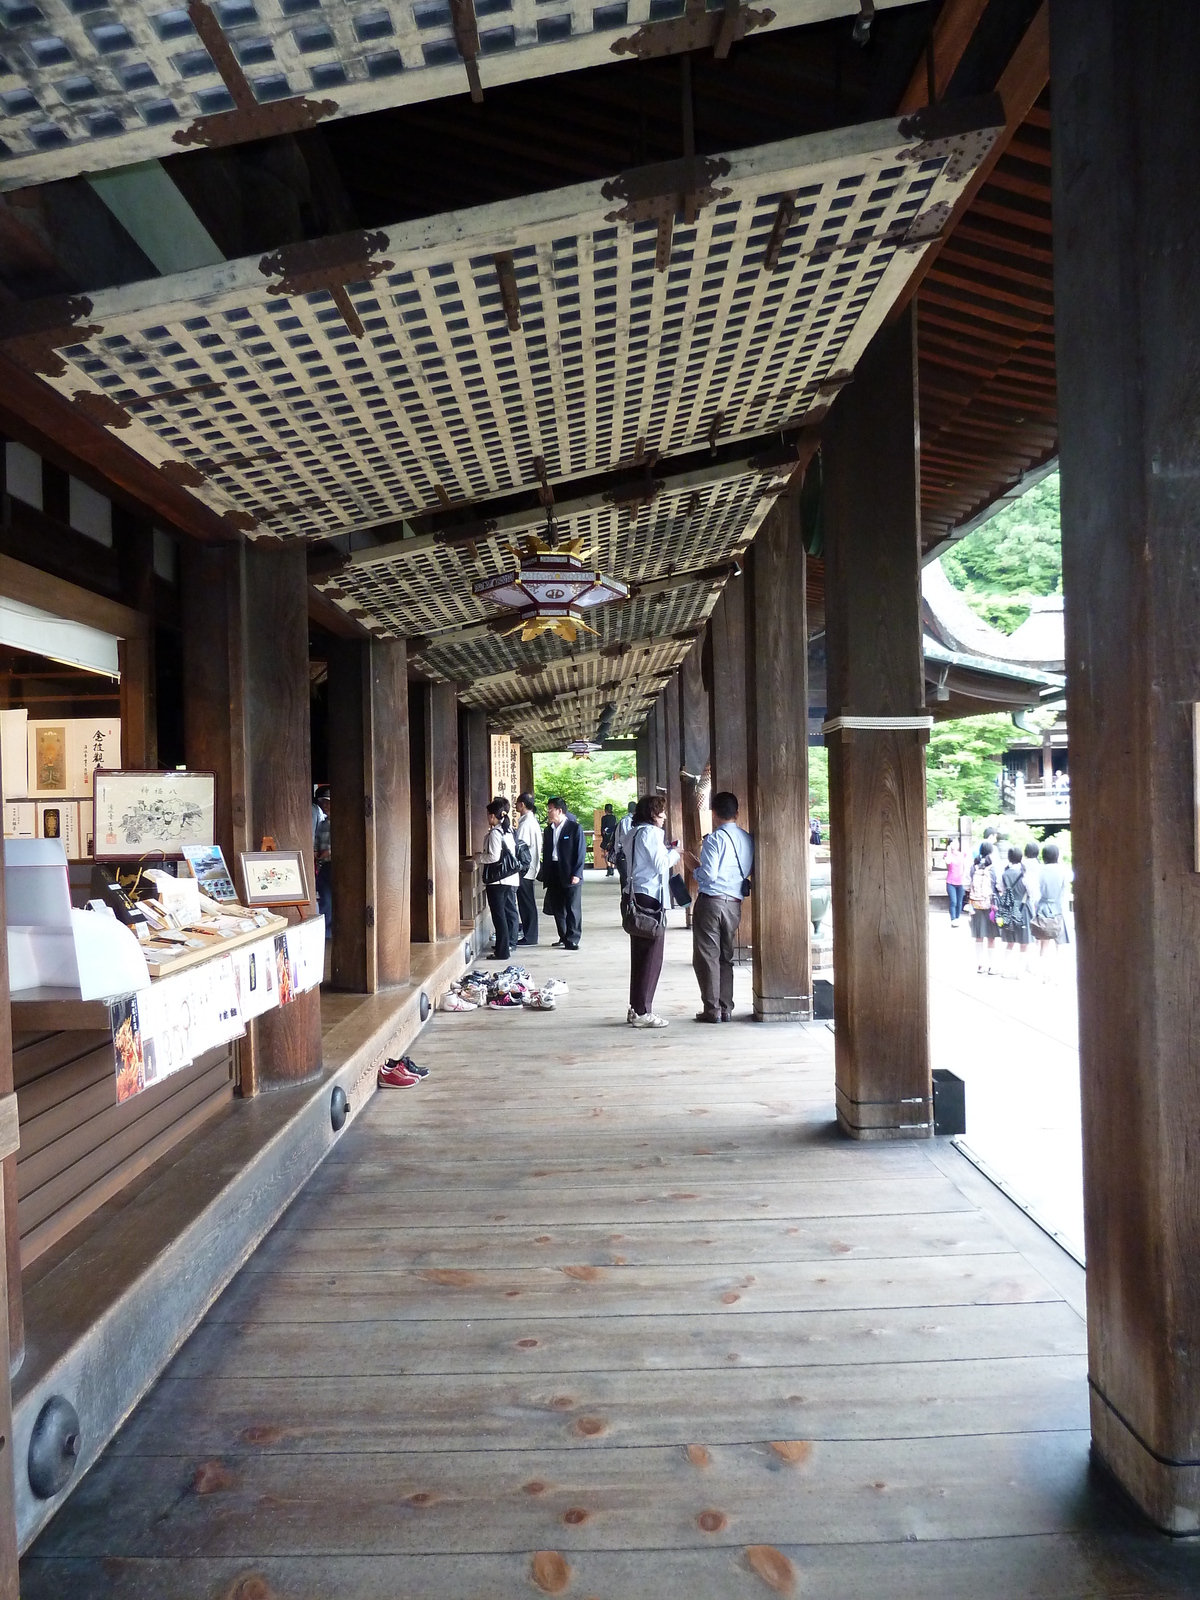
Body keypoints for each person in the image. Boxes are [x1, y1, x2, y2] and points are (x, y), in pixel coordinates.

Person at [692, 790, 754, 1023]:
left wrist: (693, 868)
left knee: (707, 955)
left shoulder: (714, 840)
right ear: (737, 813)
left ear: (714, 813)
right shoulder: (747, 839)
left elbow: (708, 874)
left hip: (711, 902)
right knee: (726, 956)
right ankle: (726, 1007)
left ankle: (712, 1009)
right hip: (734, 904)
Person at [624, 794, 679, 1029]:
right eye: (661, 812)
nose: (664, 817)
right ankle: (643, 1011)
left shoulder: (632, 832)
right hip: (650, 897)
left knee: (639, 955)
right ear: (652, 814)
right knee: (652, 956)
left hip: (633, 894)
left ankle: (635, 1007)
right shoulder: (652, 833)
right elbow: (659, 864)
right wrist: (675, 853)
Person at [539, 796, 585, 949]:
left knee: (572, 907)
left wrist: (577, 873)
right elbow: (546, 853)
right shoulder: (548, 830)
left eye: (550, 809)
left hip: (570, 872)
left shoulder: (574, 828)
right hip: (553, 871)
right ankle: (563, 936)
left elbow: (580, 853)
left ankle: (573, 938)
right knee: (558, 907)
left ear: (559, 810)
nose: (548, 812)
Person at [481, 798, 521, 962]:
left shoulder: (496, 833)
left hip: (498, 880)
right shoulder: (508, 831)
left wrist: (479, 858)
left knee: (499, 916)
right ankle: (503, 947)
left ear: (492, 816)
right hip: (509, 878)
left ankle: (502, 951)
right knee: (504, 914)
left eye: (488, 815)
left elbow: (494, 857)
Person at [1032, 839, 1071, 977]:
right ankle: (1057, 974)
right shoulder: (1063, 870)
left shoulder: (1039, 870)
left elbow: (1034, 892)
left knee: (1044, 942)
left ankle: (1044, 973)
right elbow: (1070, 882)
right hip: (1059, 909)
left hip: (1042, 908)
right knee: (1059, 944)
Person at [998, 844, 1033, 976]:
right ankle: (1019, 972)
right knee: (1023, 942)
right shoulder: (1024, 874)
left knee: (1010, 941)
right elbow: (1031, 892)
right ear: (1021, 857)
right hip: (1023, 909)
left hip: (1009, 910)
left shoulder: (1004, 874)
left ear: (1009, 858)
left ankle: (1005, 970)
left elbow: (1001, 889)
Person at [513, 792, 541, 946]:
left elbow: (520, 848)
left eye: (517, 803)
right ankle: (530, 935)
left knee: (526, 903)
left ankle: (530, 936)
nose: (516, 806)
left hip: (525, 869)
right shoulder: (531, 821)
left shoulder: (526, 824)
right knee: (527, 902)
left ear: (522, 804)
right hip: (530, 868)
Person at [968, 840, 999, 974]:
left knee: (978, 936)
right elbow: (998, 886)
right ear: (991, 851)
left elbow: (966, 884)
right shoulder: (993, 868)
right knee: (991, 936)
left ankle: (980, 965)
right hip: (990, 904)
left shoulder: (973, 867)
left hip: (975, 904)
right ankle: (991, 966)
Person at [313, 785, 332, 929]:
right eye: (323, 802)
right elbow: (316, 843)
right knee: (325, 898)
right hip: (324, 866)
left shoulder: (344, 823)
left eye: (327, 802)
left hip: (338, 865)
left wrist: (330, 852)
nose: (325, 805)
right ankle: (325, 931)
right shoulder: (322, 824)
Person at [613, 800, 635, 892]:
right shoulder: (627, 821)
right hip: (624, 854)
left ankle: (628, 902)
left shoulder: (627, 820)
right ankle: (627, 902)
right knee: (626, 880)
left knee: (627, 879)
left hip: (626, 853)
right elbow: (628, 838)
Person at [944, 837, 967, 927]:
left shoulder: (962, 855)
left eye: (957, 843)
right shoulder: (947, 854)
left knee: (960, 902)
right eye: (953, 843)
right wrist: (949, 850)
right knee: (953, 901)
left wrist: (964, 875)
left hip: (960, 881)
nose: (956, 844)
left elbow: (965, 866)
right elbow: (948, 861)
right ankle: (953, 919)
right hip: (951, 881)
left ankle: (957, 918)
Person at [600, 802, 618, 876]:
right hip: (613, 836)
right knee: (612, 852)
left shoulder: (604, 818)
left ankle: (608, 868)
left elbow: (602, 828)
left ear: (605, 810)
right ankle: (612, 868)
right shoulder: (614, 817)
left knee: (605, 851)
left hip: (606, 836)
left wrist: (603, 835)